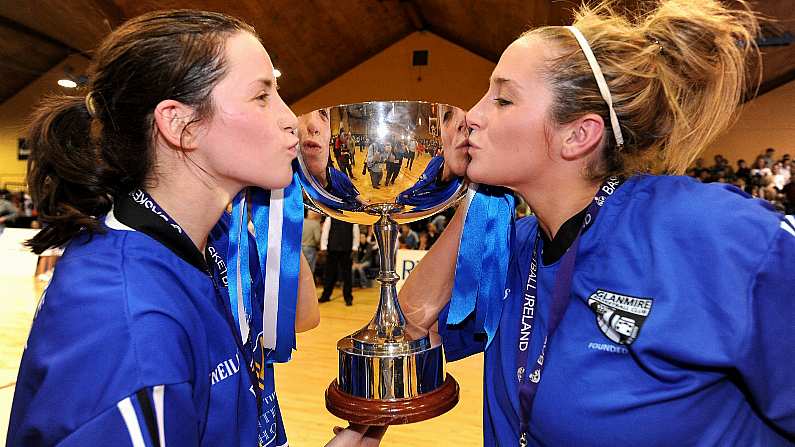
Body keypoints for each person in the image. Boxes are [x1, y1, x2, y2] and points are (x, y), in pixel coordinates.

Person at [399, 1, 794, 445]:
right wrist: (478, 192)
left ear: (578, 135)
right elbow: (407, 336)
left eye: (503, 99)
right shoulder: (509, 244)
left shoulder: (712, 234)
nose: (471, 115)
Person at [6, 10, 328, 446]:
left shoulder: (197, 248)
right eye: (261, 96)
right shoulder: (134, 331)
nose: (291, 119)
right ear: (180, 125)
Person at [319, 216, 360, 306]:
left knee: (347, 275)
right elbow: (325, 232)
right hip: (332, 250)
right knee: (329, 274)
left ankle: (348, 298)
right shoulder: (330, 218)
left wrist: (355, 247)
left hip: (347, 250)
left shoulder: (352, 219)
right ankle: (326, 296)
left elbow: (356, 233)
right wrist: (324, 247)